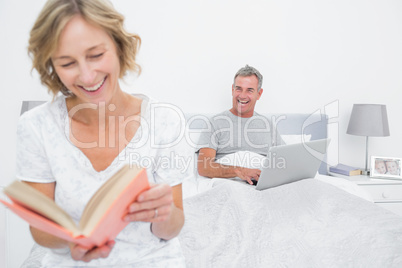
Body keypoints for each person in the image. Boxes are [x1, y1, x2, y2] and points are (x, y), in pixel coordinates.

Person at [18, 0, 191, 266]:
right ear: (51, 66)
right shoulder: (36, 126)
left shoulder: (165, 121)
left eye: (96, 55)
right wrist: (73, 241)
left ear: (119, 46)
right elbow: (41, 229)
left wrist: (162, 213)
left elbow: (173, 228)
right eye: (67, 63)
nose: (87, 77)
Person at [197, 65, 283, 185]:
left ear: (259, 94)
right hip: (230, 185)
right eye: (238, 89)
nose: (242, 95)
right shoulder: (215, 123)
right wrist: (240, 171)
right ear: (232, 90)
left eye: (249, 90)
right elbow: (204, 167)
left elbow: (285, 163)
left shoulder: (268, 125)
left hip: (262, 187)